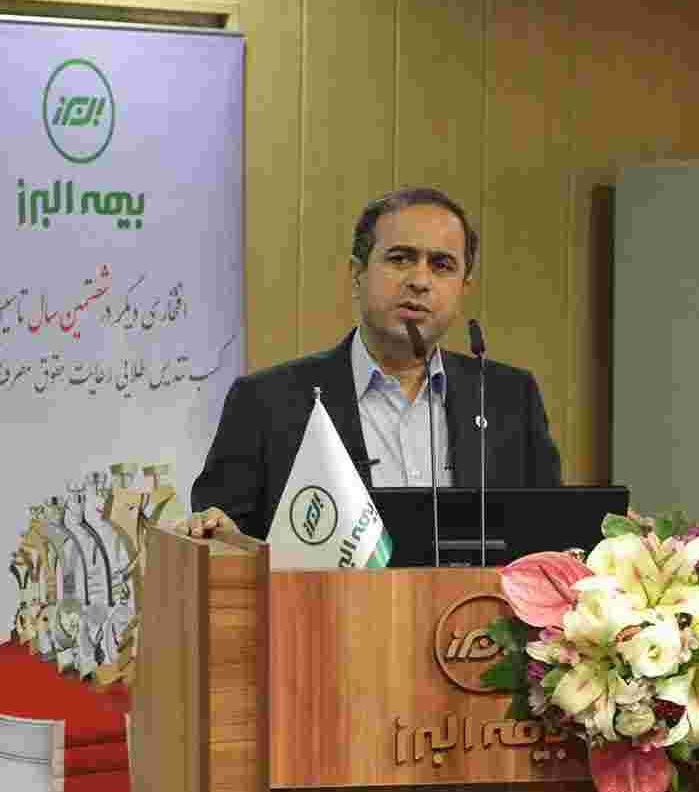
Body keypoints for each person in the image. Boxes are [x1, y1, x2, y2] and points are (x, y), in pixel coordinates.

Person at [188, 186, 562, 540]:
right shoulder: (265, 402)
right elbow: (222, 539)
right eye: (400, 259)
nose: (420, 280)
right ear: (357, 274)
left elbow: (552, 536)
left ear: (463, 288)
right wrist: (220, 535)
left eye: (442, 265)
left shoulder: (509, 399)